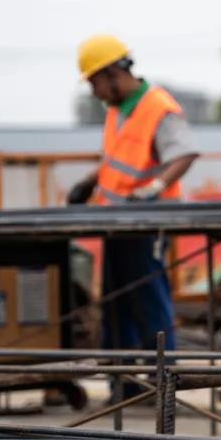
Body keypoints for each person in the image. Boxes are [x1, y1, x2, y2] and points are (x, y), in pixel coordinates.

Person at [68, 34, 198, 357]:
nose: (94, 92)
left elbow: (185, 154)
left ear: (113, 75)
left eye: (94, 83)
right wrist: (89, 182)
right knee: (116, 304)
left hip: (146, 223)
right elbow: (119, 159)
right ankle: (123, 384)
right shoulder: (117, 110)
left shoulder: (158, 107)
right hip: (117, 222)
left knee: (149, 302)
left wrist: (154, 188)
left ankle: (164, 378)